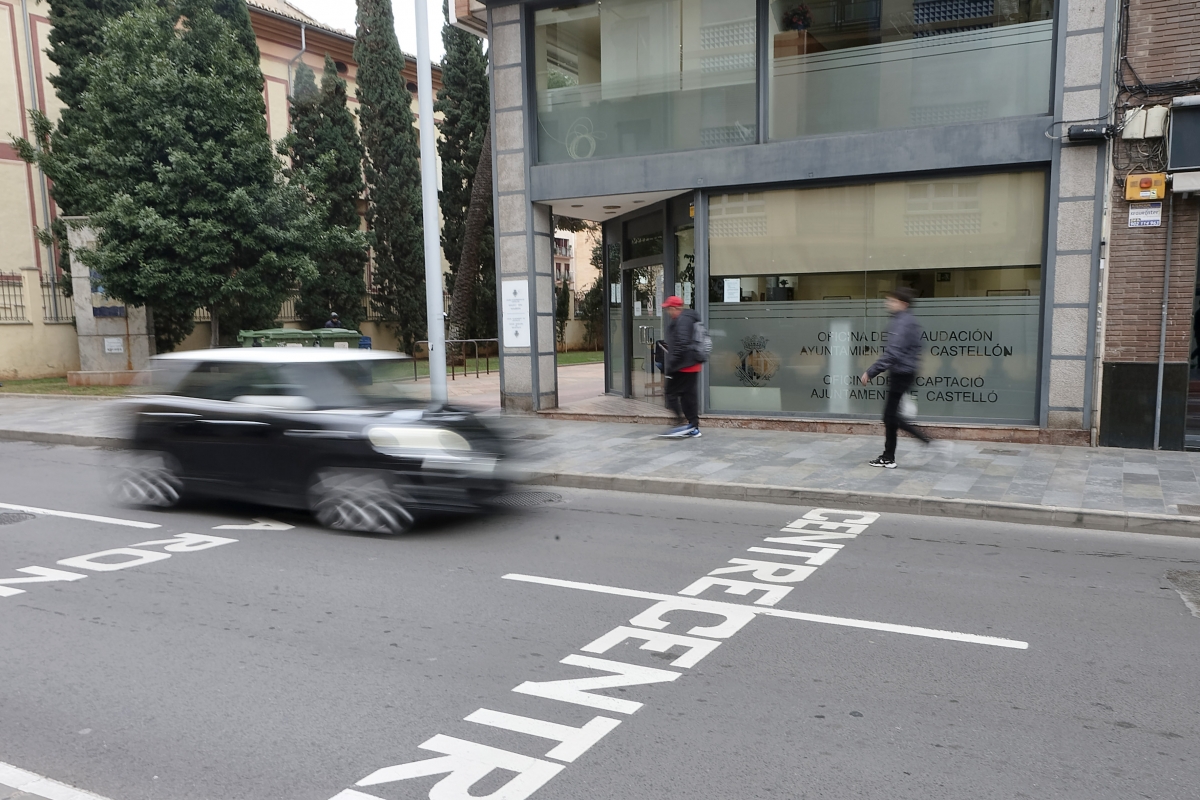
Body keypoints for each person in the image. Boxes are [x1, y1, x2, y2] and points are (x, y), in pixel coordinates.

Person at [860, 287, 933, 468]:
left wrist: (871, 372)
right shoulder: (907, 321)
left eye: (892, 301)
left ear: (903, 304)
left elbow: (893, 354)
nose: (888, 303)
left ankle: (924, 441)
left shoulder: (902, 323)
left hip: (901, 372)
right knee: (891, 416)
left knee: (890, 416)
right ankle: (889, 456)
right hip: (904, 371)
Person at [660, 295, 702, 439]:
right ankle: (693, 425)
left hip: (683, 365)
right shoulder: (687, 318)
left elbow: (682, 344)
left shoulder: (682, 320)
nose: (668, 312)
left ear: (674, 308)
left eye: (668, 309)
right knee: (687, 396)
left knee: (671, 393)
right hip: (690, 364)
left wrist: (672, 363)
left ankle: (681, 422)